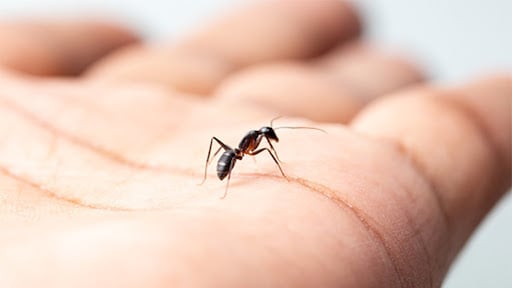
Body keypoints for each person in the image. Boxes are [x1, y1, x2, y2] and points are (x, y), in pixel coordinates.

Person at [0, 1, 509, 287]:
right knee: (225, 152)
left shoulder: (255, 138)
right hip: (222, 163)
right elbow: (247, 146)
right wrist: (223, 172)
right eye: (266, 138)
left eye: (265, 139)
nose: (266, 141)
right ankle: (211, 177)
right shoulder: (245, 145)